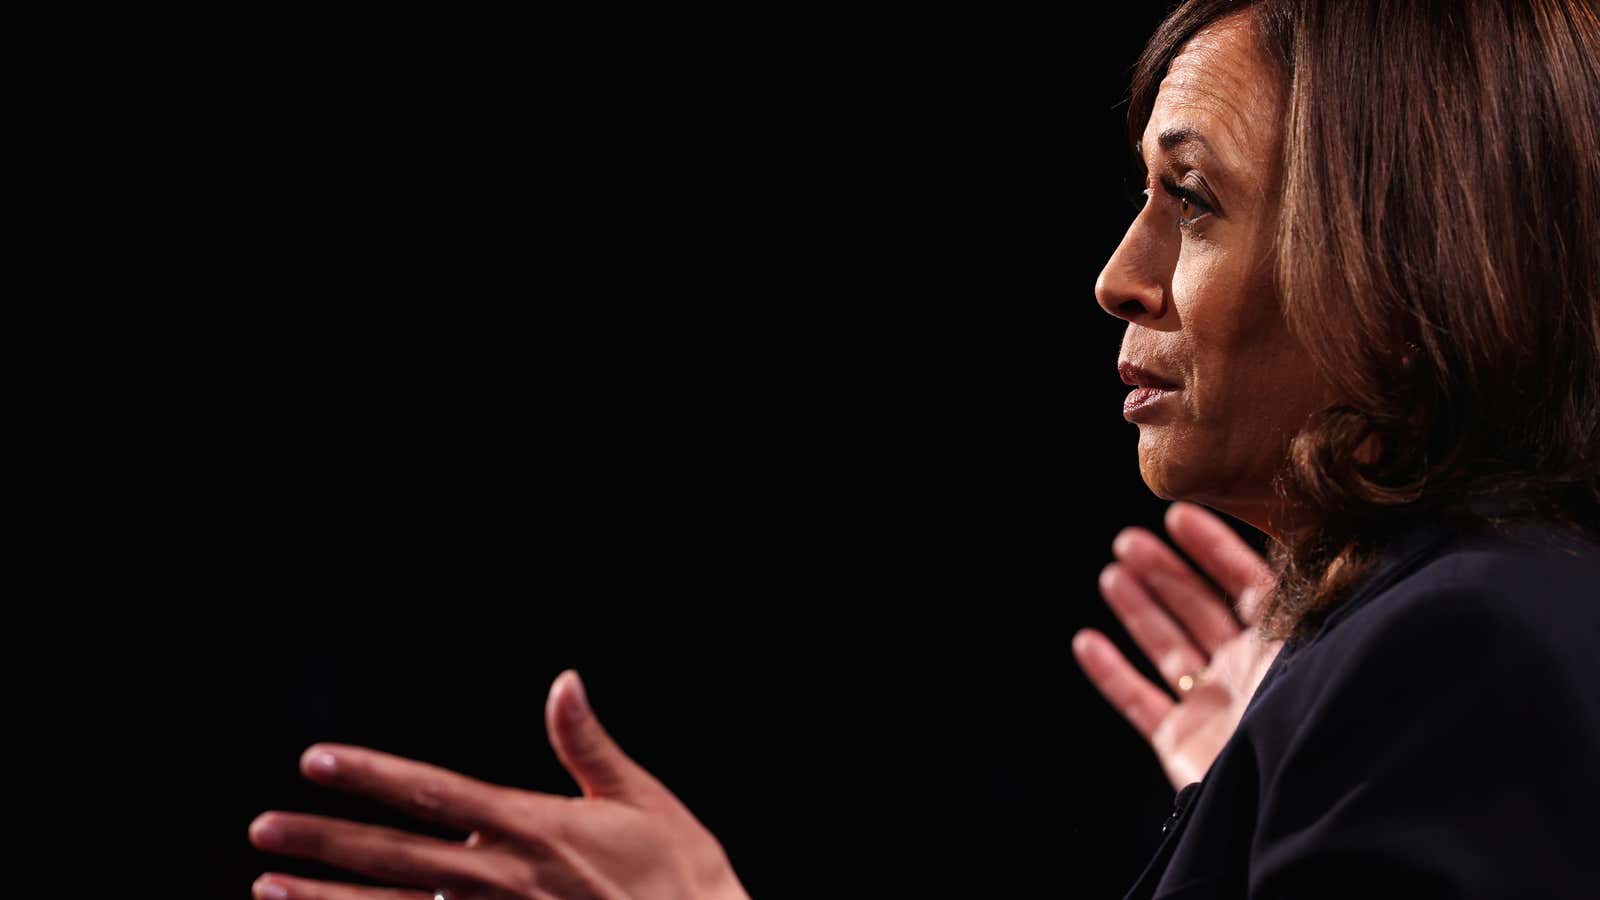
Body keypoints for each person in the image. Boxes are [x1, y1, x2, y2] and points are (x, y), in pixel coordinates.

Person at [1072, 0, 1600, 897]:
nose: (1119, 280)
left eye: (1192, 199)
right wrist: (1261, 782)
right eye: (1145, 195)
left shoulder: (1461, 648)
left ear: (1412, 259)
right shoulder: (1450, 638)